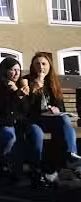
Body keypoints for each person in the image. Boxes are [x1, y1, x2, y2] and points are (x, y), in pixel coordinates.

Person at [22, 52, 81, 182]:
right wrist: (34, 90)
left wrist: (57, 109)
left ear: (49, 66)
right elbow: (25, 109)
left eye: (44, 64)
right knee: (36, 133)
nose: (40, 67)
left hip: (50, 119)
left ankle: (72, 157)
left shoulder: (52, 82)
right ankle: (36, 167)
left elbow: (61, 107)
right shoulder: (26, 80)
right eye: (37, 64)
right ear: (32, 66)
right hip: (34, 120)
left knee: (64, 119)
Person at [0, 57, 30, 178]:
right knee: (10, 135)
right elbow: (4, 109)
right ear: (5, 70)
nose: (16, 73)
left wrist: (18, 92)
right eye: (12, 70)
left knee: (33, 132)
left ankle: (30, 165)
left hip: (18, 121)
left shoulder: (19, 85)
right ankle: (4, 165)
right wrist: (15, 94)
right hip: (1, 122)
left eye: (18, 70)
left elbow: (26, 108)